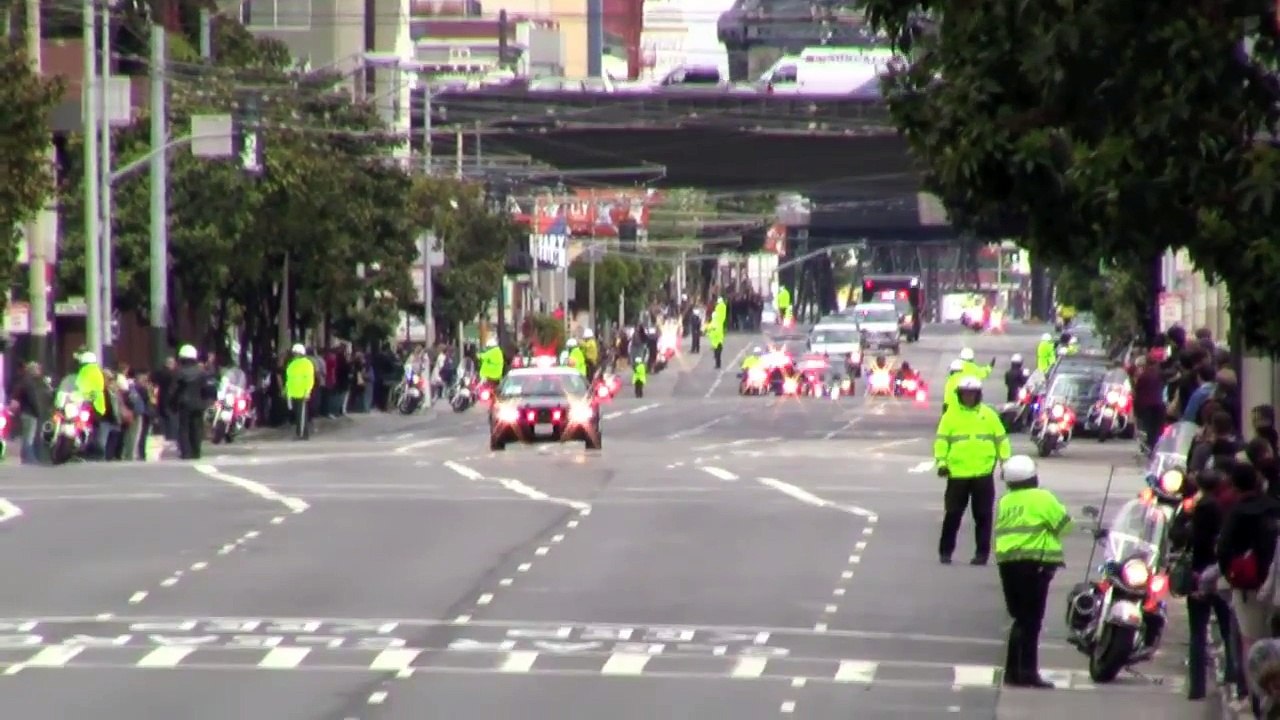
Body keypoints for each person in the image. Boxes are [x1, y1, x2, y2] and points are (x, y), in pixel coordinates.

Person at [994, 455, 1072, 688]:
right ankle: (1027, 673)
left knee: (1020, 618)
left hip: (1008, 564)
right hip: (1035, 564)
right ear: (1033, 477)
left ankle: (1012, 672)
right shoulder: (1042, 497)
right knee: (1031, 621)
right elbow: (1064, 525)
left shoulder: (1006, 501)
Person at [934, 376, 1012, 564]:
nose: (969, 397)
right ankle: (946, 551)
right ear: (960, 395)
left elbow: (1001, 440)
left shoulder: (988, 415)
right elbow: (941, 442)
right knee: (952, 515)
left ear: (978, 395)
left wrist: (1006, 463)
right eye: (965, 394)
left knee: (984, 516)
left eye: (972, 394)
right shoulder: (951, 416)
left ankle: (982, 554)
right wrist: (942, 464)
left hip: (983, 475)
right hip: (957, 474)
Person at [169, 344, 210, 460]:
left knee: (184, 428)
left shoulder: (179, 372)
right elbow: (206, 389)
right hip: (198, 404)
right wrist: (205, 402)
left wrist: (172, 404)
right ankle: (196, 451)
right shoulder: (201, 372)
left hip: (184, 404)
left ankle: (186, 452)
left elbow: (174, 390)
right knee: (197, 428)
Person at [285, 344, 315, 440]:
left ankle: (302, 434)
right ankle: (300, 432)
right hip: (293, 393)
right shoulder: (292, 364)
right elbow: (289, 379)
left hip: (302, 393)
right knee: (297, 415)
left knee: (301, 415)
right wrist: (287, 391)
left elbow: (309, 379)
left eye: (296, 353)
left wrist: (307, 392)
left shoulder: (307, 363)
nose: (294, 354)